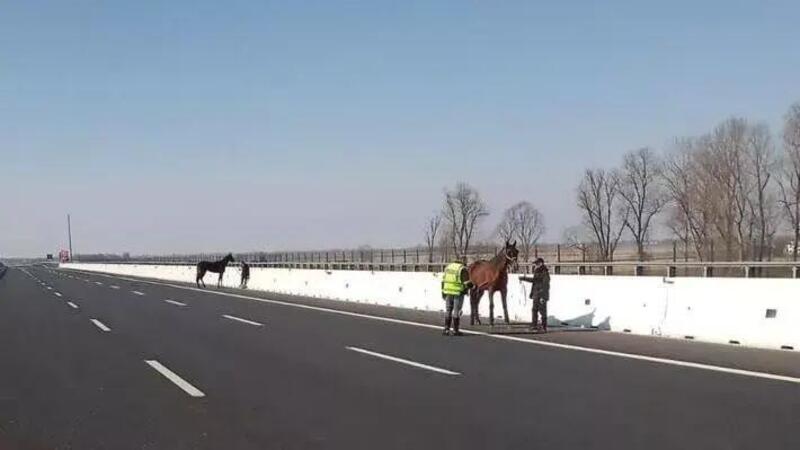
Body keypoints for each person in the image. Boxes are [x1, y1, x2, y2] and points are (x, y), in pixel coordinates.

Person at [441, 258, 473, 336]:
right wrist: (472, 286)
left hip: (447, 292)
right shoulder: (462, 269)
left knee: (448, 310)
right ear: (463, 261)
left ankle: (446, 329)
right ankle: (455, 330)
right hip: (458, 293)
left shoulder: (448, 267)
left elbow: (443, 280)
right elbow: (467, 283)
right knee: (456, 311)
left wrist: (443, 292)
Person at [519, 257, 550, 332]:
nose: (535, 265)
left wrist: (543, 296)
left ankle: (544, 326)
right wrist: (524, 278)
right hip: (536, 294)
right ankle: (534, 325)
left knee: (542, 311)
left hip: (541, 294)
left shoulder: (545, 272)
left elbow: (546, 285)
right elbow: (534, 281)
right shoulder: (537, 271)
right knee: (534, 310)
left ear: (541, 263)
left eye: (537, 264)